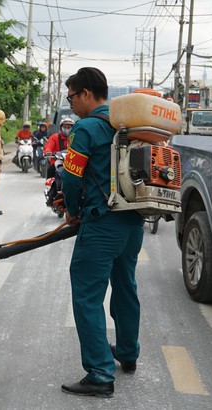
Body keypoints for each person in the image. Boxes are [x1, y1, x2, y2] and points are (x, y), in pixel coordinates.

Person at [59, 67, 144, 398]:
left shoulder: (87, 129)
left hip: (102, 223)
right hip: (133, 222)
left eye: (71, 97)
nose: (71, 105)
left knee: (87, 295)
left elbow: (71, 177)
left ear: (85, 94)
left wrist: (72, 211)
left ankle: (99, 373)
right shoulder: (129, 125)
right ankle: (127, 353)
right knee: (126, 287)